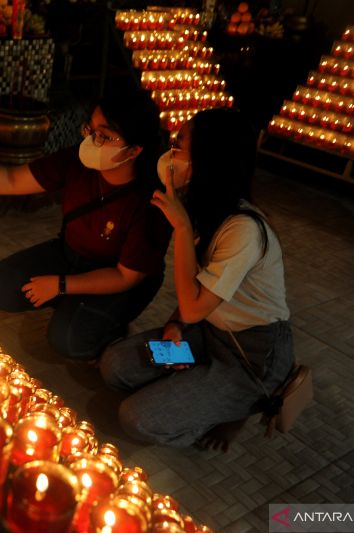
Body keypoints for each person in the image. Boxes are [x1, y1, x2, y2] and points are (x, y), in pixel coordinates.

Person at [99, 108, 294, 450]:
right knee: (115, 367)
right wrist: (176, 325)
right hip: (207, 334)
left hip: (250, 358)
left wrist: (182, 228)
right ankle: (196, 384)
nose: (170, 154)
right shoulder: (205, 205)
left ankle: (240, 406)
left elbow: (193, 307)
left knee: (137, 418)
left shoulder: (243, 230)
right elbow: (194, 299)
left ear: (209, 158)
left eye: (180, 145)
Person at [0, 90, 170, 362]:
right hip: (69, 254)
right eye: (91, 129)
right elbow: (14, 179)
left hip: (117, 279)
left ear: (134, 150)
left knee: (68, 341)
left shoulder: (150, 202)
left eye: (105, 135)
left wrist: (61, 285)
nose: (92, 141)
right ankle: (73, 304)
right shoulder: (78, 161)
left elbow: (125, 277)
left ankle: (102, 319)